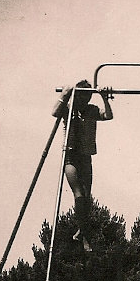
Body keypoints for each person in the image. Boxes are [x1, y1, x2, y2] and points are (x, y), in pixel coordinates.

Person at [52, 79, 113, 252]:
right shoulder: (69, 108)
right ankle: (85, 236)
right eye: (81, 98)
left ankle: (81, 231)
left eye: (87, 98)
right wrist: (64, 94)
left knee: (87, 198)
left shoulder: (91, 110)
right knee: (79, 194)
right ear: (76, 96)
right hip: (71, 156)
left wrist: (104, 98)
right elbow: (54, 112)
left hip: (86, 156)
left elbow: (108, 115)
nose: (84, 101)